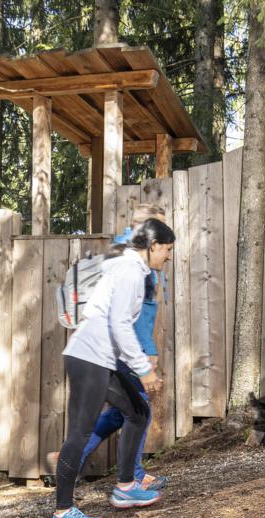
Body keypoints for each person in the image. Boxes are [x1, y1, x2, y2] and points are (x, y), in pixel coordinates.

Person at [51, 219, 176, 518]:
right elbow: (120, 324)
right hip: (89, 357)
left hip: (102, 359)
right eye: (167, 249)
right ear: (153, 246)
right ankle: (63, 513)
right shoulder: (131, 272)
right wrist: (144, 369)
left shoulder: (131, 268)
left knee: (138, 411)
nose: (169, 256)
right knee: (78, 434)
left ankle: (126, 486)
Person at [77, 204, 169, 491]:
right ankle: (132, 476)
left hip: (116, 345)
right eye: (161, 226)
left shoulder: (121, 250)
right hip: (127, 346)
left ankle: (74, 457)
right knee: (139, 408)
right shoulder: (134, 260)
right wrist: (146, 353)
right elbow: (136, 311)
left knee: (124, 411)